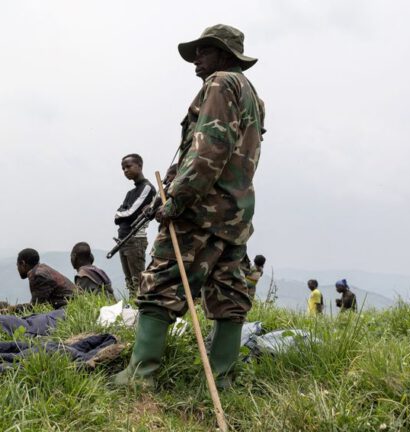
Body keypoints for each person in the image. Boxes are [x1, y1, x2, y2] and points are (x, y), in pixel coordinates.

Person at [114, 24, 265, 390]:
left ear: (225, 54)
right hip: (235, 214)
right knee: (230, 292)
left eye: (204, 51)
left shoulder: (219, 84)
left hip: (200, 209)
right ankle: (222, 380)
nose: (196, 59)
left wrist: (177, 198)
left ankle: (140, 376)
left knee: (161, 283)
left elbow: (209, 148)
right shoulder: (253, 97)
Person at [114, 153, 156, 298]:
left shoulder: (147, 188)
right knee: (130, 282)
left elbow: (130, 212)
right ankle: (134, 310)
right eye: (123, 168)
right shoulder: (130, 192)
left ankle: (142, 308)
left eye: (128, 166)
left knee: (138, 280)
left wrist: (120, 214)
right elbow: (120, 214)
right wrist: (120, 214)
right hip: (123, 240)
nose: (125, 170)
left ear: (139, 166)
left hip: (135, 239)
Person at [0, 248, 76, 313]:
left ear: (23, 263)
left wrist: (12, 309)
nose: (17, 269)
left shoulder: (37, 275)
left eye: (17, 265)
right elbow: (39, 303)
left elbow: (36, 307)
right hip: (72, 305)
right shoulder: (43, 269)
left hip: (69, 309)